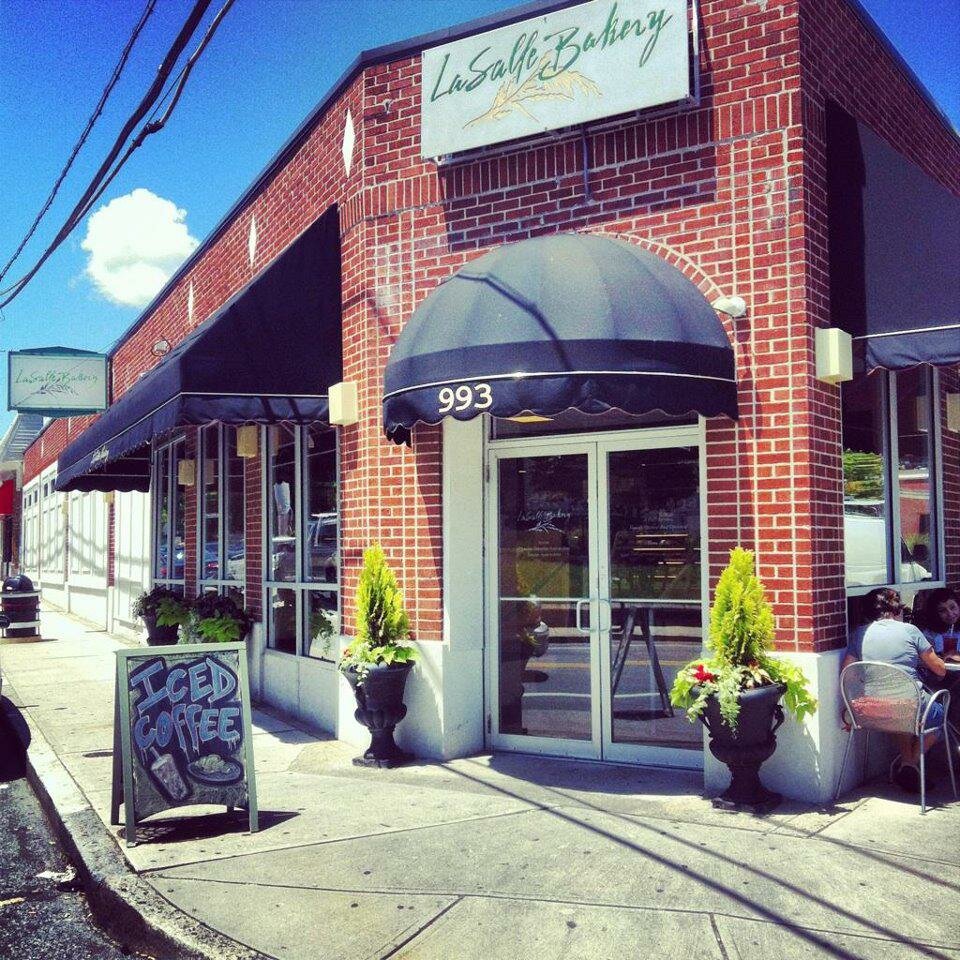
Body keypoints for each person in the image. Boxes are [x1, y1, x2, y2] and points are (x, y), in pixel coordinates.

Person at [841, 588, 948, 793]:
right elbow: (940, 670)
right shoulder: (910, 631)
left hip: (870, 711)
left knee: (900, 709)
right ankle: (909, 764)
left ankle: (908, 766)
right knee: (937, 713)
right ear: (896, 608)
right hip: (908, 707)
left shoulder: (859, 634)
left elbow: (848, 674)